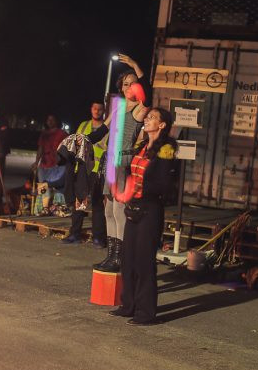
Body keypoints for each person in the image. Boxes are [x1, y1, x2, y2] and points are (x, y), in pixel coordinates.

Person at [109, 107, 177, 326]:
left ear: (163, 124)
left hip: (150, 208)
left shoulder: (166, 149)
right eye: (147, 117)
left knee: (144, 261)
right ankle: (128, 305)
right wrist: (127, 189)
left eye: (152, 118)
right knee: (128, 258)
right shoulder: (142, 147)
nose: (147, 120)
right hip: (134, 206)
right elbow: (130, 171)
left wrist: (138, 188)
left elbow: (165, 184)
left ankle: (146, 312)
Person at [90, 54, 152, 272]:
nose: (129, 87)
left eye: (133, 84)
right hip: (111, 161)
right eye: (126, 84)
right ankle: (112, 255)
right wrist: (84, 140)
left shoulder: (140, 108)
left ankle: (121, 258)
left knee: (119, 211)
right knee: (108, 211)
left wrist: (135, 65)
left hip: (125, 160)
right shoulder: (119, 107)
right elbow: (102, 130)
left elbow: (148, 90)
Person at [62, 102, 107, 247]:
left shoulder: (107, 129)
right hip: (82, 169)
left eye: (100, 109)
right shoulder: (83, 125)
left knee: (97, 205)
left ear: (103, 111)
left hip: (97, 170)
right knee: (79, 203)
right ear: (91, 110)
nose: (97, 111)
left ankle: (98, 238)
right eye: (94, 108)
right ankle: (75, 234)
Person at [31, 114, 68, 215]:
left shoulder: (62, 133)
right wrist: (36, 161)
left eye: (52, 120)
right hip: (44, 164)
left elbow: (67, 148)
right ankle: (42, 209)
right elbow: (40, 149)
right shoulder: (44, 134)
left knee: (56, 188)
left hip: (57, 166)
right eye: (48, 120)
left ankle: (56, 209)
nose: (50, 122)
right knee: (43, 187)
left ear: (57, 121)